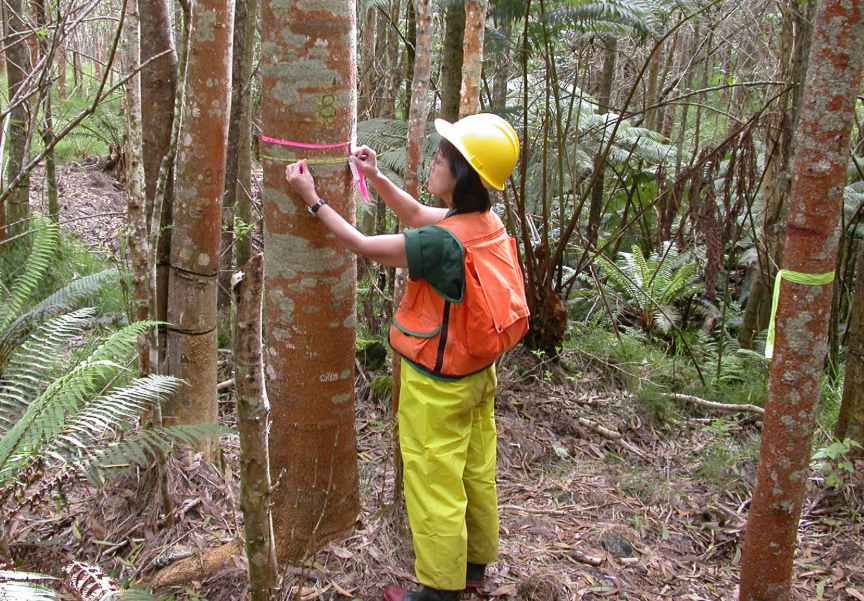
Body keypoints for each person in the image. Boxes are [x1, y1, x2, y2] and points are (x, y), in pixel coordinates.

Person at [285, 113, 526, 601]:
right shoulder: (483, 223)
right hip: (478, 375)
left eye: (443, 157)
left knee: (433, 480)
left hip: (437, 386)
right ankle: (474, 566)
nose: (434, 162)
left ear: (463, 175)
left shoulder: (444, 243)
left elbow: (362, 245)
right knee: (474, 470)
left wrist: (313, 202)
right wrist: (375, 177)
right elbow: (416, 214)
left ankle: (440, 591)